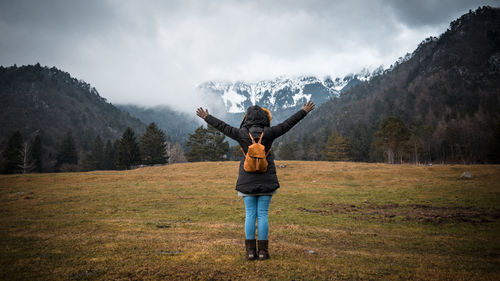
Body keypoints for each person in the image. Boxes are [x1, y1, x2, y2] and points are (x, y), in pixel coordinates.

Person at [196, 101, 315, 260]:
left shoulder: (241, 134)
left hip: (247, 181)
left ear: (247, 119)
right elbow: (288, 124)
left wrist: (206, 117)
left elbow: (222, 127)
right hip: (267, 179)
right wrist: (303, 111)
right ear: (265, 118)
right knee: (263, 214)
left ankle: (250, 252)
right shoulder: (271, 132)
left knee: (250, 214)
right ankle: (263, 252)